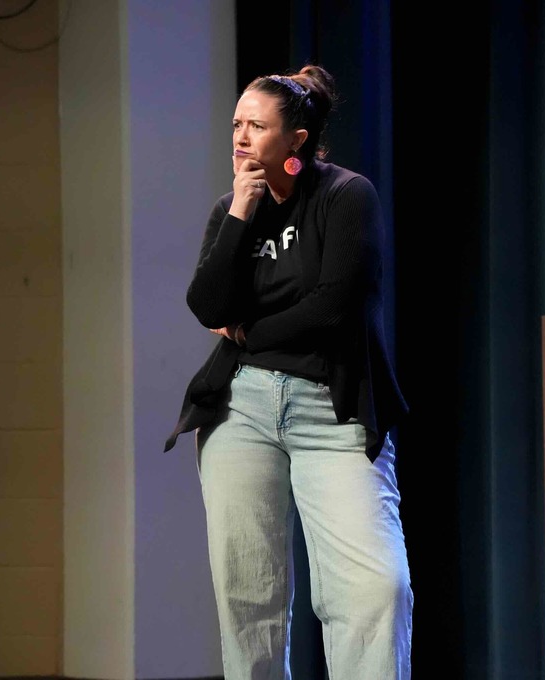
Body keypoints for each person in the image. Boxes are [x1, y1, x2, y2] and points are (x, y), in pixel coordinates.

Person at [164, 64, 413, 679]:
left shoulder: (344, 195)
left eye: (257, 125)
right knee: (249, 595)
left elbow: (337, 305)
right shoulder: (232, 208)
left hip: (332, 406)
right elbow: (206, 306)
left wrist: (251, 330)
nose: (241, 137)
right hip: (240, 409)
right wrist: (243, 211)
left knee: (377, 587)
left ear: (297, 137)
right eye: (236, 124)